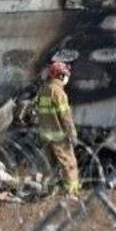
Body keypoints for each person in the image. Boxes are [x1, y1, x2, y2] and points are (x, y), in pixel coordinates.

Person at [35, 60, 80, 195]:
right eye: (66, 75)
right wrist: (72, 134)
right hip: (59, 136)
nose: (67, 78)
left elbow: (38, 112)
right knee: (69, 164)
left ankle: (47, 191)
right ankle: (72, 193)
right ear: (60, 76)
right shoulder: (58, 92)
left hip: (45, 135)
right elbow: (65, 116)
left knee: (49, 166)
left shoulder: (43, 91)